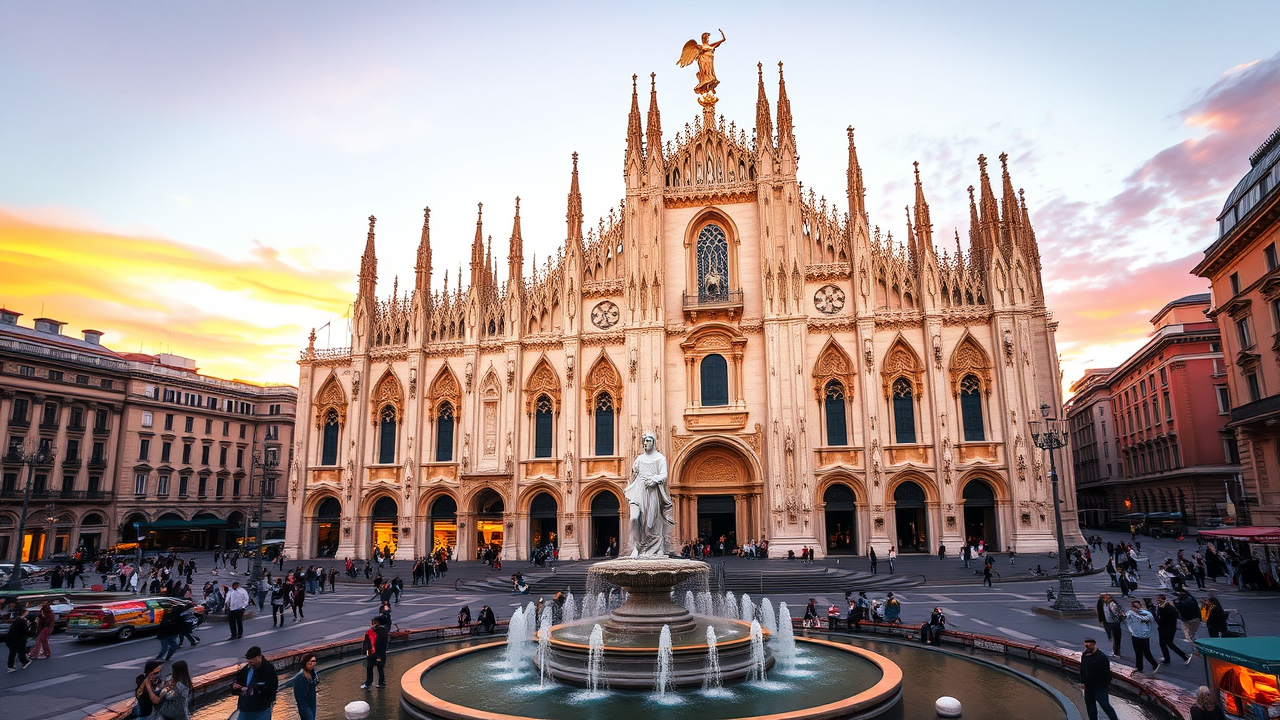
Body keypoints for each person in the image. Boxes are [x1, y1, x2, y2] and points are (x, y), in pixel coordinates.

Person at [232, 646, 279, 720]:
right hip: (245, 708)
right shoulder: (247, 668)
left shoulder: (268, 669)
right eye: (249, 661)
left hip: (261, 710)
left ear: (259, 657)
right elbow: (238, 680)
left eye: (252, 661)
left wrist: (255, 688)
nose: (250, 664)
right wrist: (235, 685)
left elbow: (272, 688)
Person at [1079, 638, 1120, 720]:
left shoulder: (1101, 658)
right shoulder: (1084, 655)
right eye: (1086, 646)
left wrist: (1102, 685)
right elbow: (1082, 669)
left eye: (1089, 646)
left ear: (1094, 645)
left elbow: (1106, 673)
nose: (1087, 648)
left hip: (1099, 687)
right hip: (1088, 687)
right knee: (1090, 708)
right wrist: (1083, 682)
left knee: (1105, 706)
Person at [1124, 600, 1160, 675]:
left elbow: (1149, 619)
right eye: (1133, 606)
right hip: (1135, 636)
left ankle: (1155, 664)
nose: (1134, 608)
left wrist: (1135, 614)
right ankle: (1139, 667)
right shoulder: (1130, 613)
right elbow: (1125, 617)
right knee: (1138, 652)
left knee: (1146, 652)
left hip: (1144, 637)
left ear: (1140, 606)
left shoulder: (1146, 613)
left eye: (1136, 607)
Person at [1154, 594, 1190, 666]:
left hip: (1167, 629)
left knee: (1164, 643)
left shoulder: (1168, 608)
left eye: (1159, 599)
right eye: (1157, 598)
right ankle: (1183, 655)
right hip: (1164, 628)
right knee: (1169, 643)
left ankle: (1167, 658)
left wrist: (1160, 621)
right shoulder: (1160, 607)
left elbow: (1170, 617)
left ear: (1163, 600)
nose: (1158, 600)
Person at [361, 617, 389, 689]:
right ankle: (368, 683)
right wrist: (366, 650)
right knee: (369, 668)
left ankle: (381, 683)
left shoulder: (383, 632)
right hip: (371, 653)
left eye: (374, 622)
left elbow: (382, 644)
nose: (372, 624)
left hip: (379, 653)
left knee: (380, 668)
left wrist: (379, 655)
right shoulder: (370, 632)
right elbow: (366, 642)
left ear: (378, 623)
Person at [293, 653, 319, 720]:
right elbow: (298, 696)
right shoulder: (300, 677)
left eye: (314, 661)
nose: (313, 664)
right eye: (311, 662)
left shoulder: (313, 674)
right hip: (304, 705)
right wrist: (304, 706)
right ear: (306, 662)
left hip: (312, 701)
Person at [6, 602, 30, 672]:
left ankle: (12, 665)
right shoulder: (22, 621)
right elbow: (25, 631)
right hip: (18, 639)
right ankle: (24, 661)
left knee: (14, 652)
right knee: (19, 651)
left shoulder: (17, 620)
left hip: (12, 638)